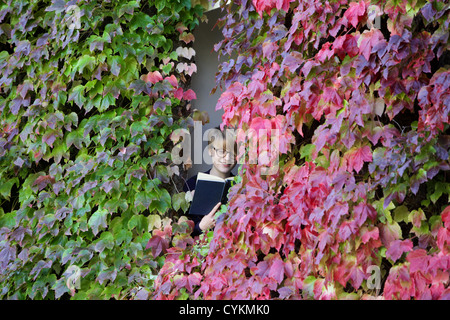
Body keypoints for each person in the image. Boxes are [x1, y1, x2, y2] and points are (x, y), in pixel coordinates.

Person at [183, 126, 237, 236]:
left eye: (232, 153)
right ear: (210, 151)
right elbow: (182, 235)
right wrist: (201, 227)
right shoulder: (192, 184)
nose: (227, 158)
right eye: (222, 151)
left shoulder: (241, 185)